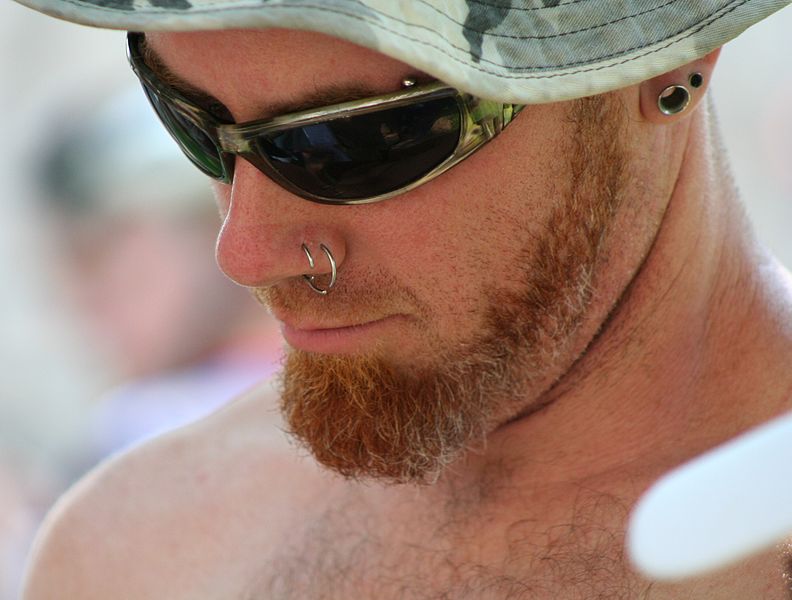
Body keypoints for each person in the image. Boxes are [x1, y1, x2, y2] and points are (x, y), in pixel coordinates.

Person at [12, 1, 792, 597]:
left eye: (354, 144)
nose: (245, 253)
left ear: (662, 60)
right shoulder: (139, 549)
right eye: (192, 125)